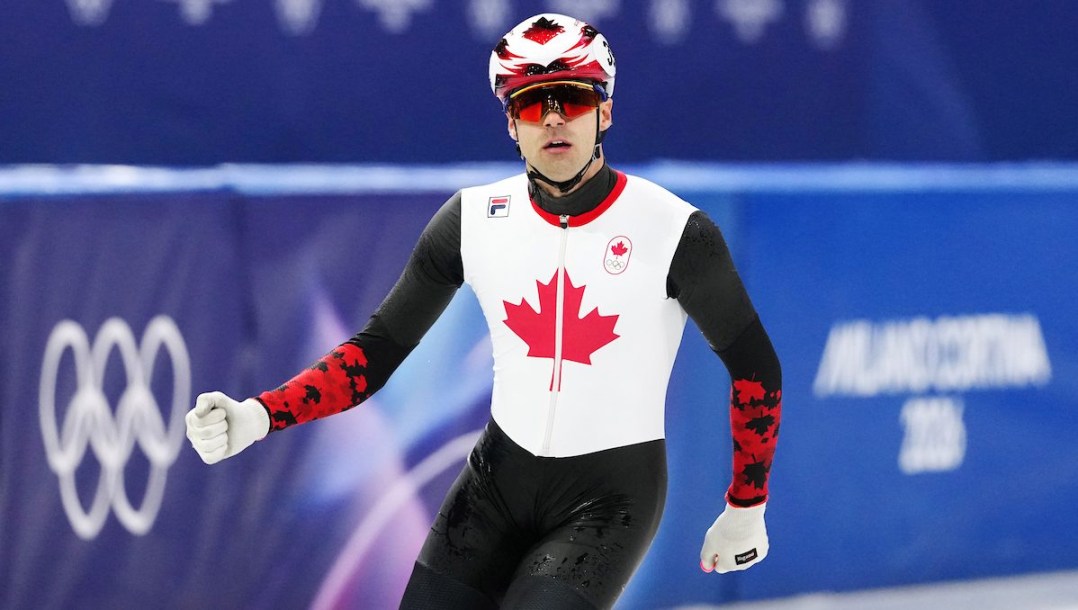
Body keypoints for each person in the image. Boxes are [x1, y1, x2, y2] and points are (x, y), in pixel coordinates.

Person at [186, 13, 782, 609]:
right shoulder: (472, 220)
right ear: (511, 126)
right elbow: (372, 356)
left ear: (604, 112)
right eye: (530, 105)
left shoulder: (674, 230)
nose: (552, 118)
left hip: (609, 500)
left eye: (572, 98)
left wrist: (745, 505)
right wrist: (259, 415)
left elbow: (755, 366)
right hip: (495, 486)